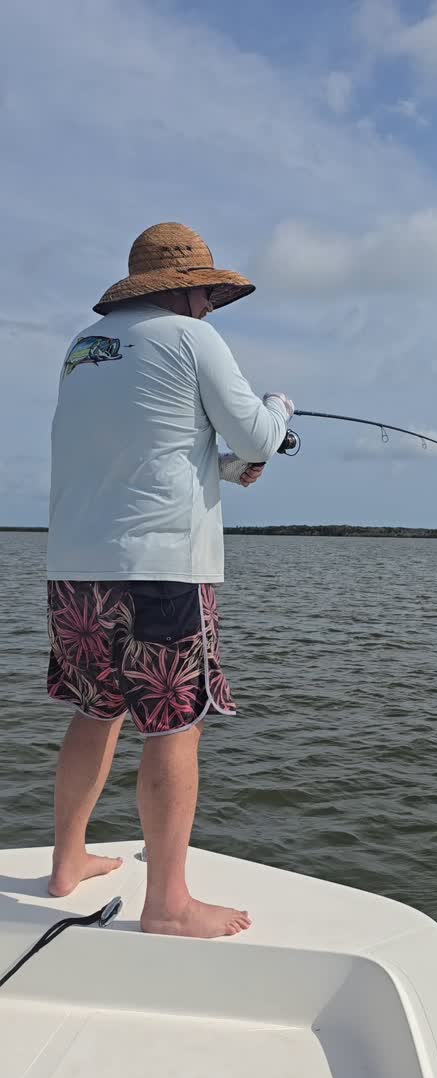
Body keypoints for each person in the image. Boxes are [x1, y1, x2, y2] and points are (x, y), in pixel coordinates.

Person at [45, 222, 294, 938]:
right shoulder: (191, 339)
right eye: (209, 294)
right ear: (185, 289)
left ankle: (67, 861)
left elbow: (137, 453)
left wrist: (217, 469)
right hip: (159, 571)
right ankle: (169, 905)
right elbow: (252, 434)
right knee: (174, 726)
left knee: (95, 710)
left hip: (76, 567)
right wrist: (278, 413)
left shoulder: (83, 351)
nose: (212, 308)